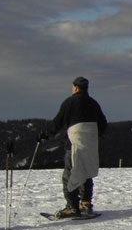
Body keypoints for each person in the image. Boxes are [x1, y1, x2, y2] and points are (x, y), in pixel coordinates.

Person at [40, 76, 107, 218]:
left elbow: (57, 123)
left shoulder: (69, 102)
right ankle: (86, 203)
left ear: (75, 88)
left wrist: (45, 135)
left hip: (74, 143)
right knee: (86, 172)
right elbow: (103, 124)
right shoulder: (93, 103)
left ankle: (72, 207)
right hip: (90, 144)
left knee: (70, 175)